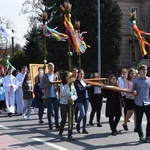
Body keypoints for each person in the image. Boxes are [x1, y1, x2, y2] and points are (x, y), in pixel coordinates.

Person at [132, 65, 150, 143]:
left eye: (145, 69)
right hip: (138, 103)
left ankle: (148, 136)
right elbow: (133, 90)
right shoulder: (135, 81)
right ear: (139, 71)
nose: (144, 71)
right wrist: (134, 92)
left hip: (148, 103)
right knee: (139, 120)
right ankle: (141, 136)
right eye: (143, 69)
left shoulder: (149, 80)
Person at [58, 71, 77, 140]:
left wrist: (73, 98)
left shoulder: (72, 85)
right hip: (63, 103)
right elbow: (62, 93)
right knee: (64, 119)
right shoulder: (62, 85)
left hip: (70, 103)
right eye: (67, 77)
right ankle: (60, 133)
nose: (68, 78)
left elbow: (75, 94)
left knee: (71, 119)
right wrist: (67, 85)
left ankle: (70, 134)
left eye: (69, 77)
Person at [40, 62, 60, 130]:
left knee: (56, 110)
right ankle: (50, 124)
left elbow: (58, 84)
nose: (52, 69)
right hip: (48, 95)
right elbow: (41, 85)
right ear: (48, 68)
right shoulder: (45, 76)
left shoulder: (55, 76)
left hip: (55, 95)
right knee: (49, 111)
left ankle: (57, 124)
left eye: (53, 68)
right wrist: (49, 84)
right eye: (51, 68)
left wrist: (57, 86)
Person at [74, 69, 90, 134]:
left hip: (86, 98)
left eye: (83, 74)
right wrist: (86, 87)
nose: (82, 75)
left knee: (85, 114)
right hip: (80, 100)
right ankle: (78, 124)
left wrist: (88, 87)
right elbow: (79, 90)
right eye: (80, 74)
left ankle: (84, 128)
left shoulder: (84, 81)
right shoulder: (76, 82)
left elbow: (87, 89)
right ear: (78, 74)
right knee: (82, 113)